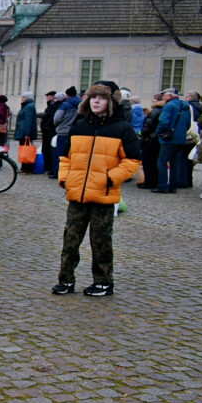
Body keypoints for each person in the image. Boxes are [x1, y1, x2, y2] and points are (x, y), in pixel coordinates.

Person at [52, 83, 141, 297]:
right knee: (70, 240)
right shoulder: (80, 125)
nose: (96, 101)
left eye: (101, 98)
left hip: (103, 195)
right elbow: (66, 157)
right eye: (93, 98)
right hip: (77, 194)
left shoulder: (122, 128)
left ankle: (103, 282)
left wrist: (110, 179)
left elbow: (132, 161)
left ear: (111, 101)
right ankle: (66, 280)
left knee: (101, 241)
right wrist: (65, 178)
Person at [153, 88, 191, 193]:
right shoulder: (185, 106)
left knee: (162, 162)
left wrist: (159, 132)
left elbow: (163, 121)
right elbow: (188, 124)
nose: (163, 97)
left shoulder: (169, 106)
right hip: (181, 138)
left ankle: (162, 186)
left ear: (170, 96)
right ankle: (173, 186)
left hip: (169, 139)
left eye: (164, 95)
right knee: (175, 163)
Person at [137, 93, 165, 190]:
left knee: (148, 162)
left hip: (150, 140)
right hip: (157, 140)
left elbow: (148, 127)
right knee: (154, 162)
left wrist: (141, 134)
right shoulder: (162, 110)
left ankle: (149, 182)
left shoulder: (155, 111)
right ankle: (154, 182)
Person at [54, 86, 81, 177]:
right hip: (75, 132)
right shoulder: (80, 104)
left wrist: (58, 125)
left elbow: (57, 118)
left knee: (61, 153)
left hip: (63, 131)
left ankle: (59, 172)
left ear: (67, 95)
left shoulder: (65, 105)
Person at [14, 92, 39, 173]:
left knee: (26, 150)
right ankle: (25, 167)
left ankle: (26, 167)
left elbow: (29, 121)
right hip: (23, 131)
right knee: (25, 149)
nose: (22, 98)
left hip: (24, 132)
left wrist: (27, 133)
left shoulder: (29, 107)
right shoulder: (27, 106)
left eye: (24, 97)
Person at [40, 91, 61, 177]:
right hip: (47, 129)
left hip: (50, 130)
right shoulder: (51, 105)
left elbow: (51, 117)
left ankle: (50, 167)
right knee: (47, 149)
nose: (47, 97)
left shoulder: (54, 106)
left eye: (48, 96)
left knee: (50, 149)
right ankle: (48, 167)